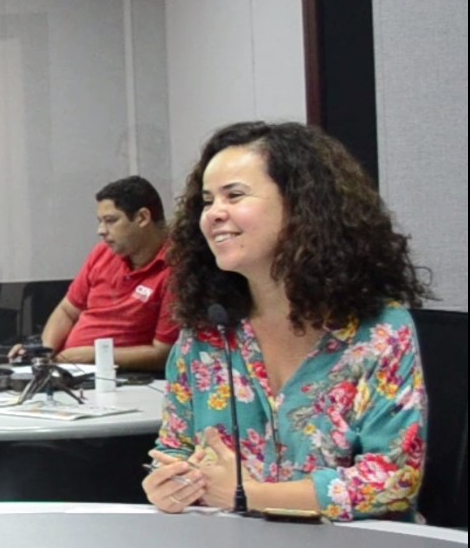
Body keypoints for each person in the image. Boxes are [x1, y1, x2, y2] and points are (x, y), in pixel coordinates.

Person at [143, 122, 429, 521]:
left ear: (301, 205)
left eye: (234, 195)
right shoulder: (208, 331)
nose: (213, 215)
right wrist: (168, 484)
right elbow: (174, 450)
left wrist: (249, 495)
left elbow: (392, 481)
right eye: (207, 201)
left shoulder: (377, 328)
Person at [14, 176, 178, 370]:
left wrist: (96, 356)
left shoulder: (176, 269)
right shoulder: (103, 253)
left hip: (121, 378)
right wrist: (43, 354)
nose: (101, 231)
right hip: (70, 369)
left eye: (110, 221)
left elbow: (163, 353)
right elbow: (67, 311)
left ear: (142, 218)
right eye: (100, 221)